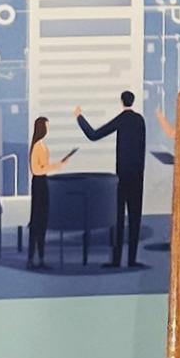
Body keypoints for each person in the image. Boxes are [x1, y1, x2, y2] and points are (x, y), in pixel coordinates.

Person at [75, 91, 147, 268]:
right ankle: (132, 260)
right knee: (135, 217)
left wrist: (79, 117)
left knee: (118, 218)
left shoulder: (121, 119)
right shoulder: (140, 120)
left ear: (122, 101)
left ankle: (116, 260)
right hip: (137, 175)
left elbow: (93, 135)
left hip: (122, 175)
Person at [26, 116, 71, 269]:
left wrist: (56, 165)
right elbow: (37, 170)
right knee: (37, 221)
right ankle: (33, 258)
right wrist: (57, 166)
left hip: (42, 183)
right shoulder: (38, 146)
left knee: (42, 221)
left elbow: (42, 166)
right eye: (46, 126)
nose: (48, 129)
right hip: (39, 183)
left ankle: (39, 257)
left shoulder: (41, 145)